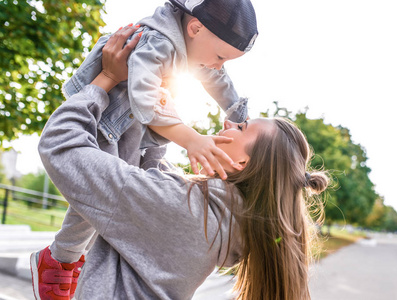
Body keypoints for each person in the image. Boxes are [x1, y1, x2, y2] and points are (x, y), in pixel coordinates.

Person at [31, 27, 329, 300]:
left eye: (241, 128)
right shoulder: (224, 218)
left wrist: (106, 79)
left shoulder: (187, 210)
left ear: (240, 162)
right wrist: (163, 117)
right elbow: (143, 176)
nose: (228, 122)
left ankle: (58, 258)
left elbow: (61, 145)